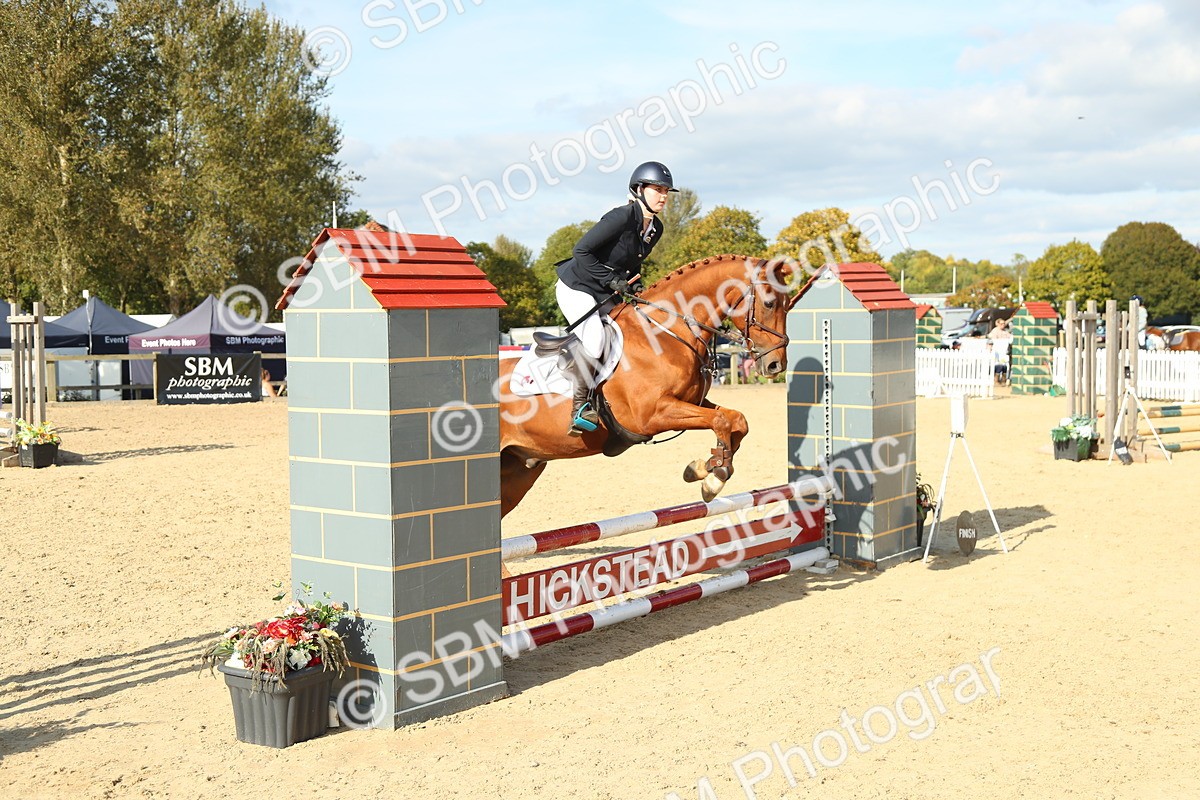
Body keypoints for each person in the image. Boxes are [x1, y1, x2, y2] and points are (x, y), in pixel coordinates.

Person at [554, 160, 677, 434]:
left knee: (634, 329)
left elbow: (633, 264)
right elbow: (581, 252)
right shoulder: (620, 217)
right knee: (596, 339)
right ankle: (580, 407)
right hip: (577, 286)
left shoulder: (655, 229)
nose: (664, 196)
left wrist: (635, 285)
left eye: (666, 191)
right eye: (658, 189)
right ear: (639, 189)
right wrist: (612, 280)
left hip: (605, 291)